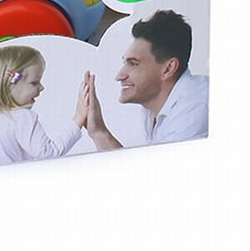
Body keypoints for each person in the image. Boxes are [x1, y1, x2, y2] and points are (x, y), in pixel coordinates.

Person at [0, 44, 89, 169]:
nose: (41, 88)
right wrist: (78, 119)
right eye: (34, 82)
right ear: (9, 85)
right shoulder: (21, 118)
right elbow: (49, 153)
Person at [86, 10, 208, 150]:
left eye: (133, 63)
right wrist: (98, 131)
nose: (119, 76)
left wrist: (100, 133)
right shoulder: (151, 108)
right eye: (125, 63)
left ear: (168, 69)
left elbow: (157, 165)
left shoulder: (194, 111)